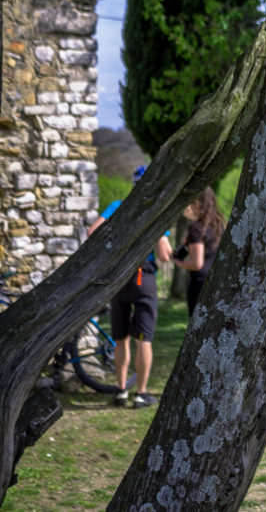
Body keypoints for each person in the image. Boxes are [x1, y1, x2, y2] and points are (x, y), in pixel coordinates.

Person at [87, 165, 171, 409]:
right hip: (143, 278)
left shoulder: (117, 206)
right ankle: (141, 394)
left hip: (119, 278)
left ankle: (121, 390)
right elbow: (164, 255)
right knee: (143, 340)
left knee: (120, 337)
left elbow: (93, 232)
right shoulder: (157, 212)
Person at [172, 187, 225, 315]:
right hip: (219, 282)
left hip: (200, 284)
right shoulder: (218, 225)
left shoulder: (196, 229)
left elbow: (197, 264)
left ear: (197, 202)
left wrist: (179, 263)